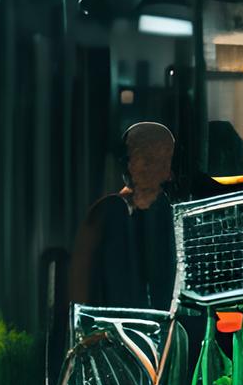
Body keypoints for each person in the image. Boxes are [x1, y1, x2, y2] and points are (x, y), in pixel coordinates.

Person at [66, 120, 179, 311]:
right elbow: (79, 285)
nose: (155, 168)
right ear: (127, 163)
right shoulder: (109, 211)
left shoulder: (167, 213)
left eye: (163, 159)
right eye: (146, 159)